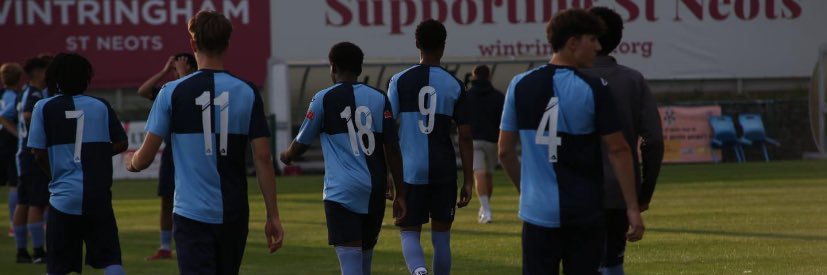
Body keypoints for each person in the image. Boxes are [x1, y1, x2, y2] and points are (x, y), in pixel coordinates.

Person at [125, 10, 284, 275]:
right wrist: (273, 215)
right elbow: (263, 158)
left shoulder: (171, 93)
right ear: (227, 43)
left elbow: (145, 157)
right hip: (234, 213)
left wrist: (131, 163)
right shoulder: (247, 91)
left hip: (192, 214)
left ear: (193, 44)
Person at [497, 9, 645, 275]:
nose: (598, 47)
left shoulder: (519, 85)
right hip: (584, 213)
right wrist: (632, 208)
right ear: (573, 42)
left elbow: (505, 151)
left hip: (537, 212)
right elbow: (619, 149)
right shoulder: (595, 88)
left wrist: (527, 192)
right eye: (593, 40)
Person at [280, 41, 404, 275]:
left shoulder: (323, 98)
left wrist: (285, 156)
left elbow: (301, 144)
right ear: (359, 68)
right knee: (365, 262)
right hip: (375, 188)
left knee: (350, 266)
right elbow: (393, 148)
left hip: (342, 191)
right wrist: (402, 192)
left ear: (333, 66)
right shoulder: (378, 98)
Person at [28, 52, 129, 274]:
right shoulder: (100, 105)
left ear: (54, 78)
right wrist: (96, 157)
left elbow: (37, 151)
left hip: (63, 197)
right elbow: (121, 143)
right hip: (98, 196)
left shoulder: (43, 107)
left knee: (58, 265)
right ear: (86, 77)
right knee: (111, 258)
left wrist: (55, 173)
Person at [581, 7, 664, 275]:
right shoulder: (632, 80)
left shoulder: (564, 78)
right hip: (617, 190)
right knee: (612, 262)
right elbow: (654, 141)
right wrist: (644, 191)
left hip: (572, 190)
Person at [387, 19, 474, 275]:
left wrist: (387, 175)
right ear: (443, 46)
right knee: (441, 238)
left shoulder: (399, 81)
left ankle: (419, 272)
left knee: (409, 230)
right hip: (443, 169)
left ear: (417, 44)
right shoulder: (455, 85)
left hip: (410, 169)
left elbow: (387, 131)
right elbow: (466, 136)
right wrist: (468, 179)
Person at [136, 53, 198, 261]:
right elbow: (143, 91)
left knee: (191, 199)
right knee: (166, 199)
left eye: (180, 64)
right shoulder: (169, 92)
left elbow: (188, 93)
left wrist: (181, 74)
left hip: (192, 151)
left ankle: (190, 245)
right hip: (172, 152)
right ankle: (165, 247)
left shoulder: (195, 87)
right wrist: (164, 72)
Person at [12, 56, 51, 263]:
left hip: (23, 154)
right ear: (37, 72)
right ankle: (38, 251)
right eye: (46, 71)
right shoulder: (34, 93)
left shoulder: (25, 91)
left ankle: (21, 251)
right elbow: (28, 114)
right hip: (32, 153)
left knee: (24, 201)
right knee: (38, 203)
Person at [466, 65, 504, 224]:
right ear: (488, 76)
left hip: (473, 139)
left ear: (474, 76)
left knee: (479, 174)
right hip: (492, 140)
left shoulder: (467, 96)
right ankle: (485, 208)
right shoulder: (498, 96)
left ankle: (485, 209)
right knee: (488, 175)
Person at [0, 63, 22, 237]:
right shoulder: (14, 96)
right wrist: (19, 134)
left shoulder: (3, 94)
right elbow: (4, 117)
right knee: (15, 185)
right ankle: (14, 225)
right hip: (8, 143)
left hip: (4, 143)